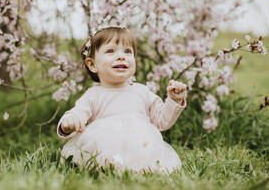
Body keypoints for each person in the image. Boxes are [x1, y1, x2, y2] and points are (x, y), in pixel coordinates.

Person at [56, 25, 187, 173]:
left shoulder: (142, 92)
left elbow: (162, 121)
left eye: (127, 51)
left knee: (147, 153)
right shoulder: (94, 95)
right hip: (104, 150)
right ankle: (105, 168)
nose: (121, 56)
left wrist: (174, 101)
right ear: (92, 64)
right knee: (99, 154)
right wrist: (70, 121)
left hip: (139, 150)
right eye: (110, 51)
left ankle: (138, 168)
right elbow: (78, 112)